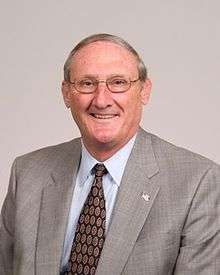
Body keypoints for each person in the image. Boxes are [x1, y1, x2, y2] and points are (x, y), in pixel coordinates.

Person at [0, 33, 220, 275]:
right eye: (86, 83)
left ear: (144, 91)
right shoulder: (28, 173)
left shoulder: (197, 182)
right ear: (66, 94)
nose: (101, 100)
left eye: (118, 83)